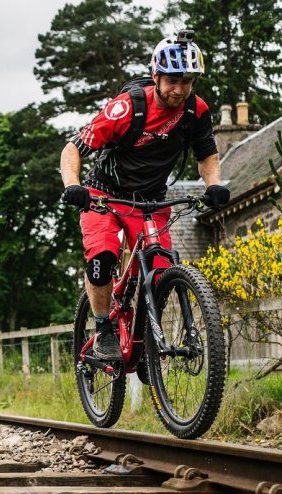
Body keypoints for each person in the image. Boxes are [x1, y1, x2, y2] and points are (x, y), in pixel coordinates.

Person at [59, 31, 230, 364]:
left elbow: (207, 154)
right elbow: (73, 149)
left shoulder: (197, 111)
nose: (179, 89)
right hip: (103, 195)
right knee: (103, 257)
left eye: (187, 81)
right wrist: (72, 185)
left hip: (151, 198)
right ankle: (104, 329)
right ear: (156, 76)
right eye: (172, 80)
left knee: (163, 268)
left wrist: (214, 185)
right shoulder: (126, 108)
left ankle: (147, 343)